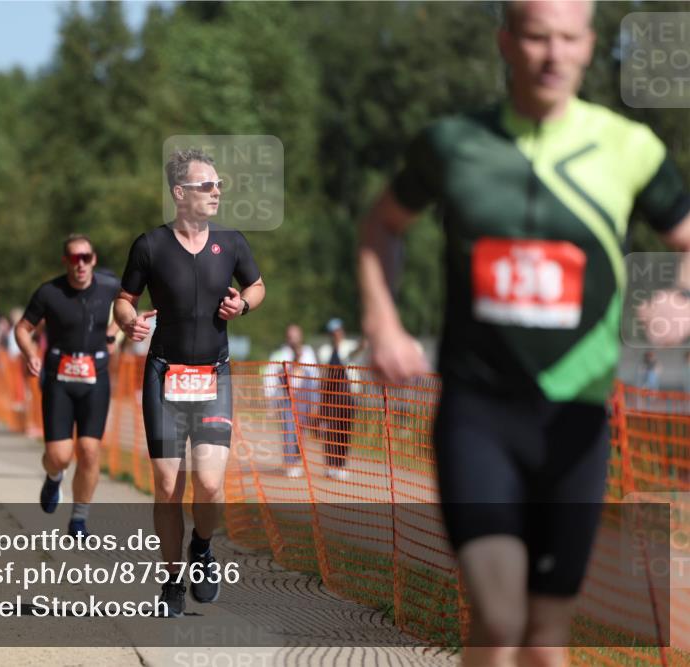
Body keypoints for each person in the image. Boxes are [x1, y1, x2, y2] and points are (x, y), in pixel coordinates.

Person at [356, 2, 690, 664]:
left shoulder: (630, 149)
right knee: (502, 614)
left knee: (544, 637)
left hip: (577, 423)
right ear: (506, 41)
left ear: (589, 46)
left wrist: (681, 301)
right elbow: (380, 226)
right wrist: (382, 319)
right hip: (479, 415)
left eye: (568, 39)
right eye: (537, 37)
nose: (552, 54)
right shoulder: (452, 144)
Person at [114, 148, 266, 617]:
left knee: (209, 482)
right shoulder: (150, 246)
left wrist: (243, 305)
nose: (216, 191)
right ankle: (173, 579)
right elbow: (124, 300)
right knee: (166, 483)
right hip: (164, 373)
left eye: (219, 185)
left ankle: (201, 546)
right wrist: (129, 322)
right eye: (206, 185)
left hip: (213, 374)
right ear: (180, 194)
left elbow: (258, 287)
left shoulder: (232, 242)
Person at [15, 234, 121, 539]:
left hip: (95, 377)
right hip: (59, 379)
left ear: (94, 259)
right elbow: (22, 328)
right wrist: (31, 353)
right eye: (74, 259)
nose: (81, 264)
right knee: (60, 455)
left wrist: (114, 334)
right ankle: (53, 475)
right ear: (66, 262)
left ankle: (79, 519)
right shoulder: (50, 293)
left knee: (89, 450)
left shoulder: (109, 288)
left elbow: (130, 308)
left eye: (86, 257)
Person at [265, 323, 318, 478]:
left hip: (304, 400)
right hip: (286, 399)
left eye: (296, 334)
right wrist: (270, 401)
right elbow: (270, 379)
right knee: (288, 431)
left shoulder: (308, 353)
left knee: (301, 433)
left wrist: (315, 402)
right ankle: (290, 462)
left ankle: (297, 461)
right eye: (290, 335)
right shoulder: (279, 354)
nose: (293, 338)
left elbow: (314, 378)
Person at [317, 318, 364, 481]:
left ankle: (341, 465)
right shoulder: (325, 350)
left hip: (349, 397)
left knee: (344, 431)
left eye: (338, 330)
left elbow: (358, 349)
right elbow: (326, 373)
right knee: (331, 432)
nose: (337, 334)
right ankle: (331, 465)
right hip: (331, 397)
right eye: (333, 331)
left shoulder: (349, 346)